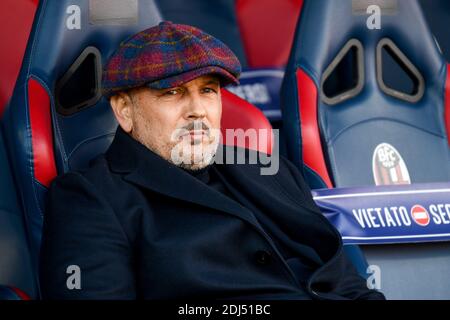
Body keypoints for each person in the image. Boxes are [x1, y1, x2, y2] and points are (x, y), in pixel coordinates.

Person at [39, 21, 384, 300]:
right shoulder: (89, 198)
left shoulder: (269, 167)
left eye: (208, 90)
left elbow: (345, 279)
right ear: (124, 111)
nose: (197, 111)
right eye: (172, 93)